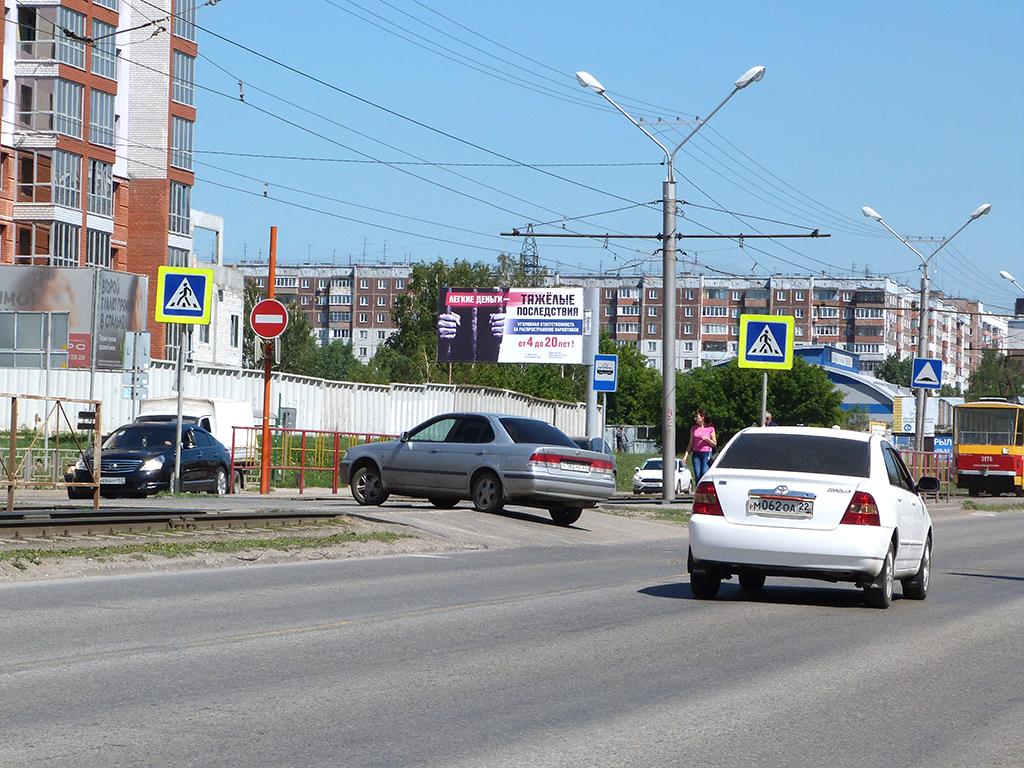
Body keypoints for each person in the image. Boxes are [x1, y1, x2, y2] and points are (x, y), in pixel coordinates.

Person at [682, 409, 717, 483]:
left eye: (697, 417)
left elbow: (714, 443)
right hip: (696, 454)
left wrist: (707, 439)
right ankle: (698, 492)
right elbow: (690, 444)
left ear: (702, 417)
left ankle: (705, 491)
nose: (695, 419)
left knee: (703, 473)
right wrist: (685, 456)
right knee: (697, 475)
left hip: (706, 453)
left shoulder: (710, 429)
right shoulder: (694, 429)